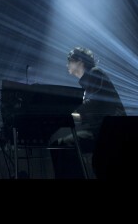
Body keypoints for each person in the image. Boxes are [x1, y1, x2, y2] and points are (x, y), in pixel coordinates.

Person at [51, 46, 126, 179]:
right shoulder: (89, 81)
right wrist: (73, 115)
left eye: (70, 61)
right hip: (101, 129)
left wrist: (71, 113)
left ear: (80, 61)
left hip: (111, 130)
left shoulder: (95, 73)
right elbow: (92, 108)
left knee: (62, 145)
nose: (67, 65)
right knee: (61, 145)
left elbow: (95, 103)